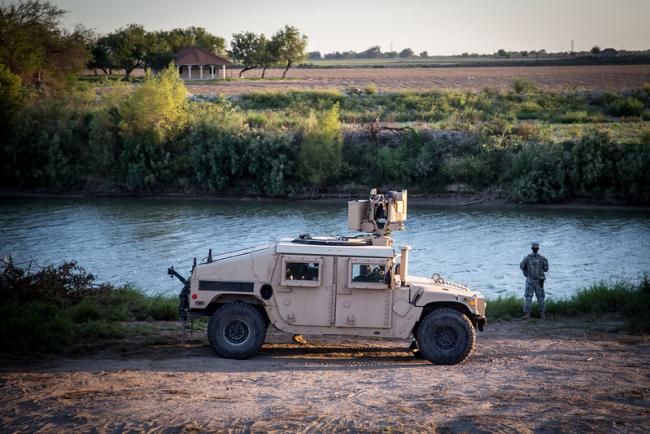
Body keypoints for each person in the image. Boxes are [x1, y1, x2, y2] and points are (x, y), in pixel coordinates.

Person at [519, 241, 549, 319]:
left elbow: (522, 267)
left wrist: (526, 274)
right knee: (540, 297)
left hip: (531, 280)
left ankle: (528, 314)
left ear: (532, 248)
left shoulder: (527, 258)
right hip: (539, 281)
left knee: (529, 297)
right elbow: (546, 269)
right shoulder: (543, 259)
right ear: (538, 248)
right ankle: (542, 314)